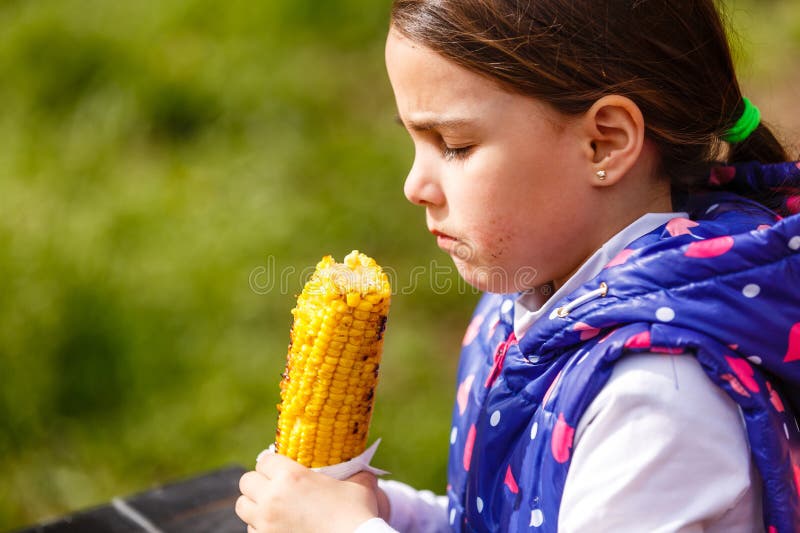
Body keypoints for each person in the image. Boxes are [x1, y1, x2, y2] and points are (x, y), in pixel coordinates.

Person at [236, 1, 800, 531]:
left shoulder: (657, 400)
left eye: (453, 144)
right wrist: (383, 510)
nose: (414, 186)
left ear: (603, 143)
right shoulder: (536, 291)